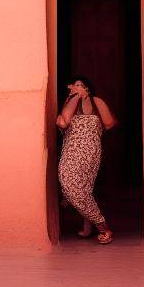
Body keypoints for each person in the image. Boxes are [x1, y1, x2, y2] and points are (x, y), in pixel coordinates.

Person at [56, 75, 118, 244]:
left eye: (81, 85)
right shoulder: (69, 104)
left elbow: (109, 123)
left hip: (90, 152)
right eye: (75, 86)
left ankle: (103, 229)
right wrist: (75, 97)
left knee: (83, 189)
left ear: (88, 88)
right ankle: (93, 226)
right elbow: (64, 122)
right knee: (68, 182)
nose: (78, 87)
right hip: (71, 152)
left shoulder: (97, 101)